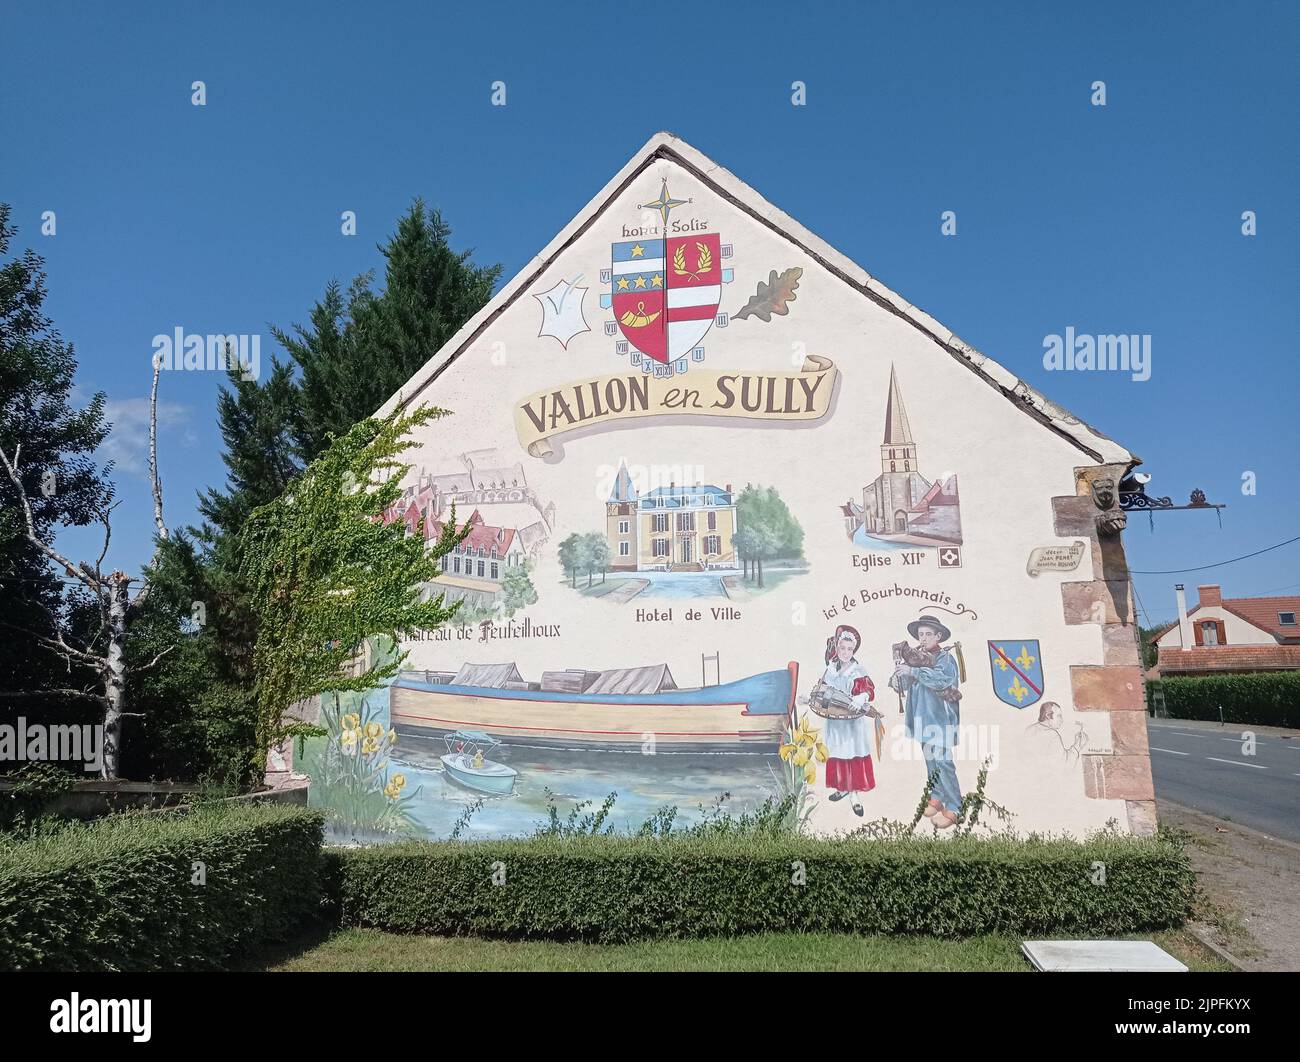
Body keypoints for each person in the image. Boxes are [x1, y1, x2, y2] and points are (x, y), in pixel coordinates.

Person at [890, 615, 963, 828]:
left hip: (940, 718)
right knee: (930, 760)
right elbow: (905, 683)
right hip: (921, 718)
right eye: (920, 634)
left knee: (943, 762)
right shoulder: (916, 657)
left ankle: (955, 807)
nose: (923, 638)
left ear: (938, 636)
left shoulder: (945, 658)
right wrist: (898, 677)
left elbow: (941, 680)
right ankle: (937, 795)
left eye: (928, 634)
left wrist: (913, 671)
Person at [817, 624, 883, 817]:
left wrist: (861, 698)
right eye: (842, 648)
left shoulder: (857, 670)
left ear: (853, 651)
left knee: (851, 755)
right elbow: (824, 690)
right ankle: (842, 788)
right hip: (836, 722)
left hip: (851, 723)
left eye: (849, 649)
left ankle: (854, 795)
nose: (845, 652)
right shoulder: (830, 669)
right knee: (838, 754)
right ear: (836, 648)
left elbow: (868, 691)